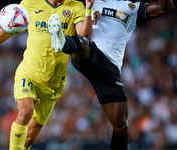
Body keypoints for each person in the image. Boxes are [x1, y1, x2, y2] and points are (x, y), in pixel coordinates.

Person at [48, 0, 174, 149]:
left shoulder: (133, 8)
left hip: (110, 68)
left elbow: (167, 7)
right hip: (90, 53)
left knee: (121, 127)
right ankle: (62, 42)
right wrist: (85, 12)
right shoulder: (91, 2)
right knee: (83, 43)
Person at [0, 0, 94, 149]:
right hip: (29, 73)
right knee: (25, 112)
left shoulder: (75, 7)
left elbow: (83, 37)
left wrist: (89, 10)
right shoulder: (30, 3)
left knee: (30, 137)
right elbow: (10, 25)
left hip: (53, 83)